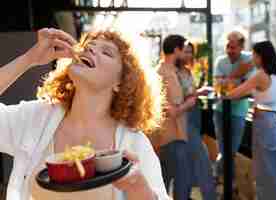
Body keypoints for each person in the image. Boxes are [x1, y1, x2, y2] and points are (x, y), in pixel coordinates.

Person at [0, 28, 169, 200]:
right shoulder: (34, 118)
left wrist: (138, 187)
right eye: (89, 45)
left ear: (121, 82)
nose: (90, 49)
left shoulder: (135, 143)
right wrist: (29, 59)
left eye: (106, 52)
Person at [227, 41, 276, 200]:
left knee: (264, 172)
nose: (252, 58)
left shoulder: (260, 75)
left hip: (263, 126)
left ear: (260, 56)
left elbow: (235, 93)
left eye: (254, 55)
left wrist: (221, 92)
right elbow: (265, 95)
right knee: (272, 171)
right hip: (274, 125)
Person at [156, 35, 196, 200]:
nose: (185, 54)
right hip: (172, 136)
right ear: (176, 50)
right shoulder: (167, 74)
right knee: (181, 180)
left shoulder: (166, 71)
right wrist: (189, 103)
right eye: (183, 50)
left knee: (165, 180)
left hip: (170, 136)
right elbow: (171, 110)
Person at [213, 31, 254, 186]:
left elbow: (248, 89)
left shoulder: (250, 59)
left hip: (238, 112)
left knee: (231, 152)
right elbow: (219, 89)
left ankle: (217, 175)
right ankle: (229, 185)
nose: (230, 50)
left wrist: (228, 82)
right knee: (225, 151)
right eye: (227, 46)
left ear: (242, 46)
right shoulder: (220, 61)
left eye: (233, 47)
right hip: (220, 111)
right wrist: (239, 75)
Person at [176, 42, 217, 200]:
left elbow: (190, 93)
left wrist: (198, 92)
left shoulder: (187, 71)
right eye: (185, 51)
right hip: (184, 119)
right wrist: (199, 92)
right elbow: (178, 97)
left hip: (194, 117)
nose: (188, 55)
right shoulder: (174, 73)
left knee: (186, 164)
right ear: (177, 52)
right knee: (203, 158)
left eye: (190, 52)